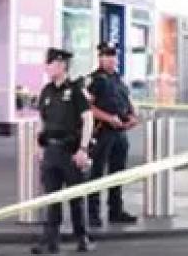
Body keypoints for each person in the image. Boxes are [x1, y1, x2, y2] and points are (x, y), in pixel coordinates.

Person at [32, 48, 96, 254]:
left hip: (70, 151)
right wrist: (39, 147)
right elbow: (42, 120)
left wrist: (83, 149)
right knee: (51, 198)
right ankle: (51, 240)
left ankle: (82, 237)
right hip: (50, 150)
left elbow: (88, 119)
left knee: (76, 197)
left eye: (50, 64)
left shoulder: (76, 91)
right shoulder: (47, 91)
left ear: (61, 65)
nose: (47, 67)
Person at [85, 43, 139, 228]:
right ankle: (93, 213)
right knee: (97, 173)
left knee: (118, 173)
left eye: (113, 56)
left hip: (119, 132)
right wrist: (108, 118)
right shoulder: (94, 80)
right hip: (102, 132)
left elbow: (127, 101)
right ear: (100, 58)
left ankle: (115, 210)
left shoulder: (118, 79)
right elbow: (87, 108)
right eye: (107, 56)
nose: (111, 59)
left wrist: (132, 116)